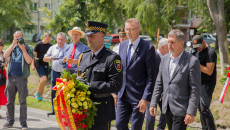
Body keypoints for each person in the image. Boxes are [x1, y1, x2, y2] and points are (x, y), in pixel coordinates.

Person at [149, 29, 201, 130]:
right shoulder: (164, 59)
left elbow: (195, 89)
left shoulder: (192, 61)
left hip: (181, 109)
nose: (169, 45)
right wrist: (153, 103)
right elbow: (159, 83)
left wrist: (191, 111)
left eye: (172, 42)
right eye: (168, 42)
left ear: (181, 43)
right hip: (167, 107)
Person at [76, 21, 123, 130]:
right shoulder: (84, 56)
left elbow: (116, 85)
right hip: (82, 110)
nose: (89, 38)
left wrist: (89, 86)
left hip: (101, 111)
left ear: (102, 36)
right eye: (87, 36)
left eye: (92, 36)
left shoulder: (112, 58)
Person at [115, 18, 158, 130]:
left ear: (138, 29)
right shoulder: (122, 45)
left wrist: (146, 98)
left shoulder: (148, 48)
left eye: (131, 29)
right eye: (126, 29)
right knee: (119, 124)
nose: (128, 32)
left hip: (138, 97)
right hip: (123, 95)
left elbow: (151, 76)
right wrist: (116, 92)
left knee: (135, 127)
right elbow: (120, 71)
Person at [3, 31, 33, 130]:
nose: (18, 39)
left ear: (23, 37)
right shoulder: (13, 47)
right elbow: (5, 56)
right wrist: (13, 44)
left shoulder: (28, 48)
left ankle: (23, 123)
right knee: (9, 101)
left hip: (21, 78)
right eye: (16, 37)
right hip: (11, 77)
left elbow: (29, 61)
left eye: (19, 37)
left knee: (22, 101)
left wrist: (23, 49)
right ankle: (9, 121)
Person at [192, 35, 217, 130]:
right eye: (196, 47)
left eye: (199, 46)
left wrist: (196, 64)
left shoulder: (210, 52)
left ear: (203, 42)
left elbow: (209, 71)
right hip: (198, 82)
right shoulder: (197, 51)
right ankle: (204, 128)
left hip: (207, 84)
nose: (197, 48)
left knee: (204, 109)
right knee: (200, 109)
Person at [145, 38, 168, 130]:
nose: (169, 50)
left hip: (160, 91)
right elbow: (153, 77)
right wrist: (158, 93)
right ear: (162, 47)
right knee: (151, 113)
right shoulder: (154, 57)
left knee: (165, 111)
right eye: (167, 48)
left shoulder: (163, 57)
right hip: (153, 91)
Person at [43, 32, 68, 116]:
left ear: (65, 40)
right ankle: (54, 109)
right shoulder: (52, 48)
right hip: (54, 72)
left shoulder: (68, 48)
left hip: (64, 73)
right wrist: (50, 58)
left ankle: (64, 111)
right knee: (54, 91)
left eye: (61, 39)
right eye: (58, 39)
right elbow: (44, 58)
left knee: (64, 92)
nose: (60, 41)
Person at [32, 32, 52, 101]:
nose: (48, 40)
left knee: (43, 80)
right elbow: (33, 55)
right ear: (44, 37)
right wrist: (32, 65)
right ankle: (37, 93)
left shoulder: (50, 45)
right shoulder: (38, 44)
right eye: (47, 39)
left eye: (49, 39)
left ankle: (40, 96)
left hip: (46, 64)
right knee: (44, 78)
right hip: (39, 64)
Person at [0, 39, 8, 119]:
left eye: (1, 46)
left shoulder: (4, 53)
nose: (0, 48)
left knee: (1, 93)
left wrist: (4, 64)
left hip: (2, 75)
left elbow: (7, 63)